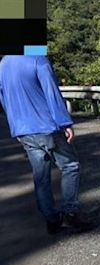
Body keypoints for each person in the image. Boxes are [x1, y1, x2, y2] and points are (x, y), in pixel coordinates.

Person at [0, 55, 89, 234]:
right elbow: (52, 92)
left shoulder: (4, 63)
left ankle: (51, 219)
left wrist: (15, 125)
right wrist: (65, 123)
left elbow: (4, 97)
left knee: (41, 176)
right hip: (48, 127)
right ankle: (71, 212)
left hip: (24, 130)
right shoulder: (38, 60)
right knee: (70, 166)